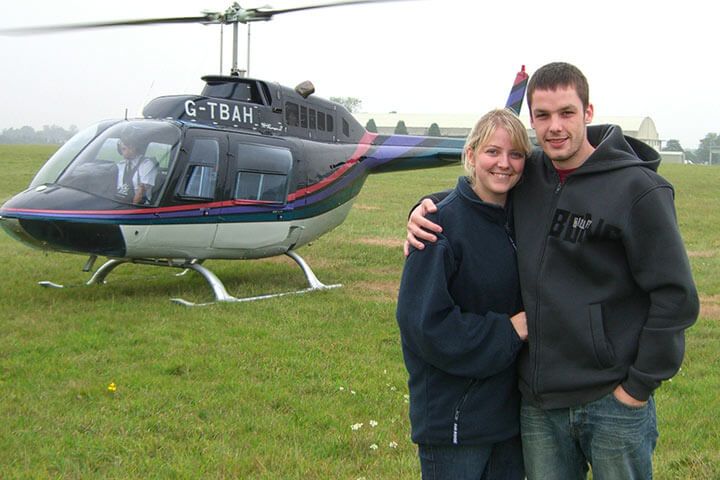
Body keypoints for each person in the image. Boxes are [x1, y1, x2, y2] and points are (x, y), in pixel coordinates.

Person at [405, 62, 699, 480]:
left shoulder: (638, 190)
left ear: (589, 112)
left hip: (611, 401)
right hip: (539, 405)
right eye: (542, 115)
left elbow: (675, 297)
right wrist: (422, 210)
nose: (555, 126)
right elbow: (479, 192)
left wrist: (636, 389)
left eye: (566, 113)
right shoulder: (532, 176)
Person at [397, 108, 531, 480]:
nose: (504, 164)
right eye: (492, 152)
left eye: (516, 154)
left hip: (511, 419)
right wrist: (511, 330)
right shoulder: (437, 226)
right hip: (456, 424)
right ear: (470, 155)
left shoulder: (525, 221)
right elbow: (425, 326)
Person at [115, 125, 158, 204]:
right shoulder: (121, 165)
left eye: (126, 148)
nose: (124, 152)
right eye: (122, 149)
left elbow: (141, 192)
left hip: (138, 206)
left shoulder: (147, 165)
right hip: (120, 203)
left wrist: (129, 210)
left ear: (135, 148)